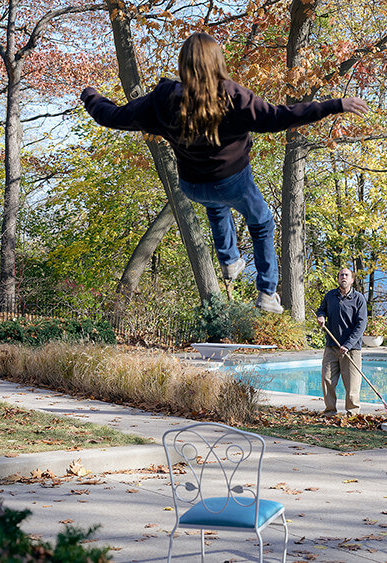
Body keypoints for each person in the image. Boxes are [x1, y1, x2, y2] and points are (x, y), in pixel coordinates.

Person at [81, 32, 368, 314]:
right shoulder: (232, 96)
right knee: (262, 223)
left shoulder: (163, 99)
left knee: (216, 206)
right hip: (233, 182)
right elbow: (279, 116)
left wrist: (91, 96)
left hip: (192, 185)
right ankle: (267, 292)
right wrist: (333, 105)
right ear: (217, 61)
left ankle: (230, 261)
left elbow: (113, 116)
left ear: (183, 64)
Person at [315, 267, 367, 416]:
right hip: (331, 346)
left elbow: (361, 325)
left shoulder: (359, 299)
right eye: (341, 275)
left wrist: (348, 345)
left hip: (352, 349)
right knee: (327, 380)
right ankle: (330, 411)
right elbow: (321, 309)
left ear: (352, 280)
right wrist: (321, 316)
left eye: (346, 275)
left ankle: (352, 413)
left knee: (352, 384)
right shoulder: (330, 296)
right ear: (338, 278)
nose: (343, 277)